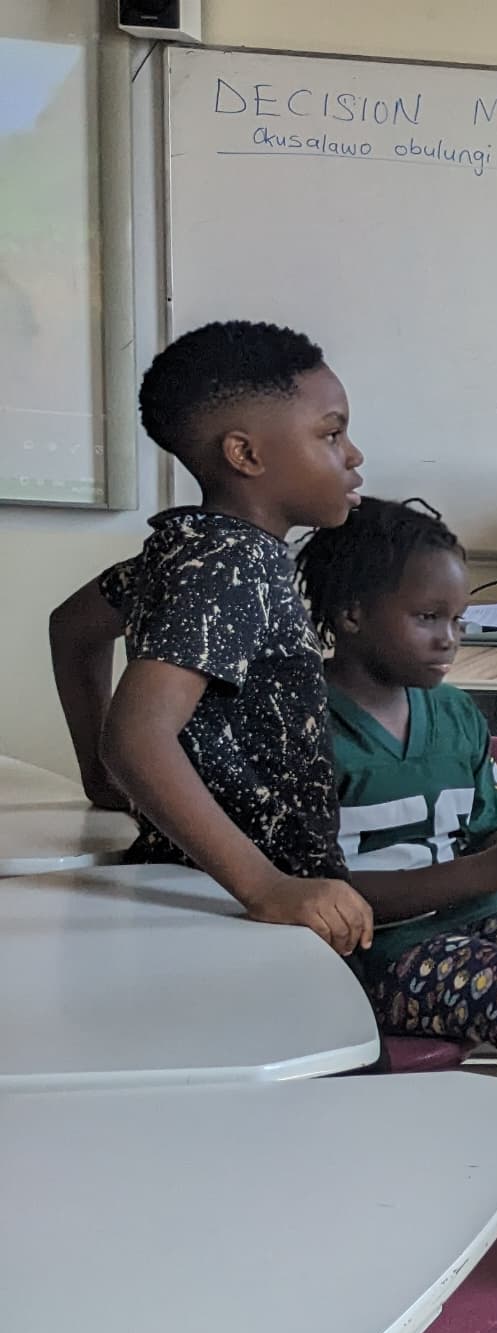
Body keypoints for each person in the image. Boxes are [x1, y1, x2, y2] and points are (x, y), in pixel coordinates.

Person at [47, 319, 372, 955]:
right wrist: (266, 887)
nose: (353, 455)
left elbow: (72, 627)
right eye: (331, 434)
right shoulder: (228, 565)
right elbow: (137, 736)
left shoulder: (192, 547)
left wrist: (98, 777)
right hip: (240, 912)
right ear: (245, 455)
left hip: (204, 889)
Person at [299, 497, 497, 1207]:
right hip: (373, 958)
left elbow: (488, 834)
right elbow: (318, 897)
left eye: (457, 620)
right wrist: (493, 868)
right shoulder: (305, 729)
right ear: (352, 614)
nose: (449, 640)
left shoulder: (453, 713)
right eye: (428, 618)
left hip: (474, 916)